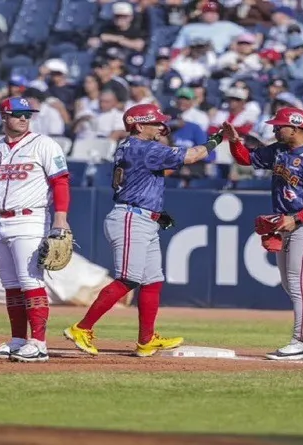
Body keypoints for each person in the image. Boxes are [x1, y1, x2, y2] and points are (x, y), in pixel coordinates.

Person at [63, 104, 223, 357]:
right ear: (139, 126)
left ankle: (146, 340)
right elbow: (192, 156)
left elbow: (143, 180)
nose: (161, 126)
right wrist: (217, 139)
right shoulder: (144, 148)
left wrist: (154, 212)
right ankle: (81, 328)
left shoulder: (132, 146)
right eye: (156, 122)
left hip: (141, 215)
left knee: (153, 281)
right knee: (128, 279)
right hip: (131, 217)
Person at [221, 107, 303, 361]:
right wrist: (234, 141)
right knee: (290, 283)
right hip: (288, 221)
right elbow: (246, 159)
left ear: (295, 129)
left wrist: (296, 219)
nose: (274, 129)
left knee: (298, 282)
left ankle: (302, 340)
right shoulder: (279, 150)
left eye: (279, 126)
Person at [0, 97, 72, 363]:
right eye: (18, 114)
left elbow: (60, 182)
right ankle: (18, 340)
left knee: (30, 281)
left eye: (27, 114)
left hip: (30, 218)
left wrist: (60, 218)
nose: (24, 118)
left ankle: (39, 343)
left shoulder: (44, 144)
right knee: (11, 286)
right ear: (4, 116)